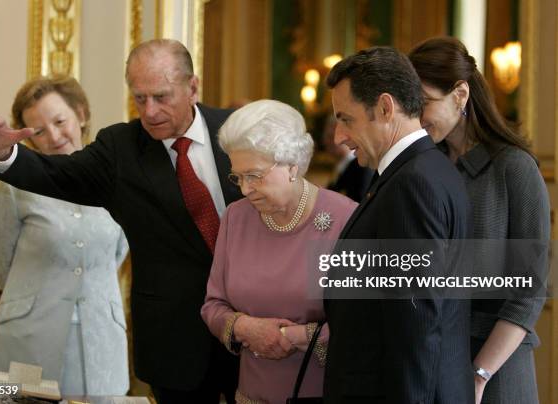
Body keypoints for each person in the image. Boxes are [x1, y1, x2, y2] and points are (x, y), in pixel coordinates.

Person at [0, 39, 240, 404]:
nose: (150, 111)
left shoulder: (236, 132)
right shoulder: (120, 150)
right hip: (171, 345)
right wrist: (2, 153)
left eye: (161, 96)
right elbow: (51, 181)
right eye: (140, 99)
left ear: (193, 87)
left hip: (248, 330)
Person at [324, 46, 473, 403]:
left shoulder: (412, 184)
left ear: (386, 108)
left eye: (346, 119)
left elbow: (416, 327)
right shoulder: (423, 170)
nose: (338, 137)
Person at [409, 37, 550, 404]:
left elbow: (527, 293)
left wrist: (479, 374)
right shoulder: (427, 166)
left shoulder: (514, 168)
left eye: (423, 102)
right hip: (435, 356)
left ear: (460, 93)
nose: (417, 117)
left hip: (496, 365)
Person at [201, 100, 357, 403]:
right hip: (249, 395)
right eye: (238, 176)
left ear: (292, 165)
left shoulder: (345, 220)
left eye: (255, 175)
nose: (245, 189)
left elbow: (363, 326)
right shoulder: (236, 217)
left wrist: (293, 337)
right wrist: (246, 327)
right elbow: (213, 305)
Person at [0, 76, 129, 396]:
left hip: (99, 335)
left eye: (60, 121)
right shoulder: (14, 184)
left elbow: (118, 253)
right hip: (28, 335)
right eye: (38, 131)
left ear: (82, 114)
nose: (54, 135)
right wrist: (37, 293)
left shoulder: (118, 177)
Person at [323, 117, 374, 203]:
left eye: (330, 136)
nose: (326, 141)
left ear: (346, 137)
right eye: (326, 136)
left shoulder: (362, 167)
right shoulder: (342, 165)